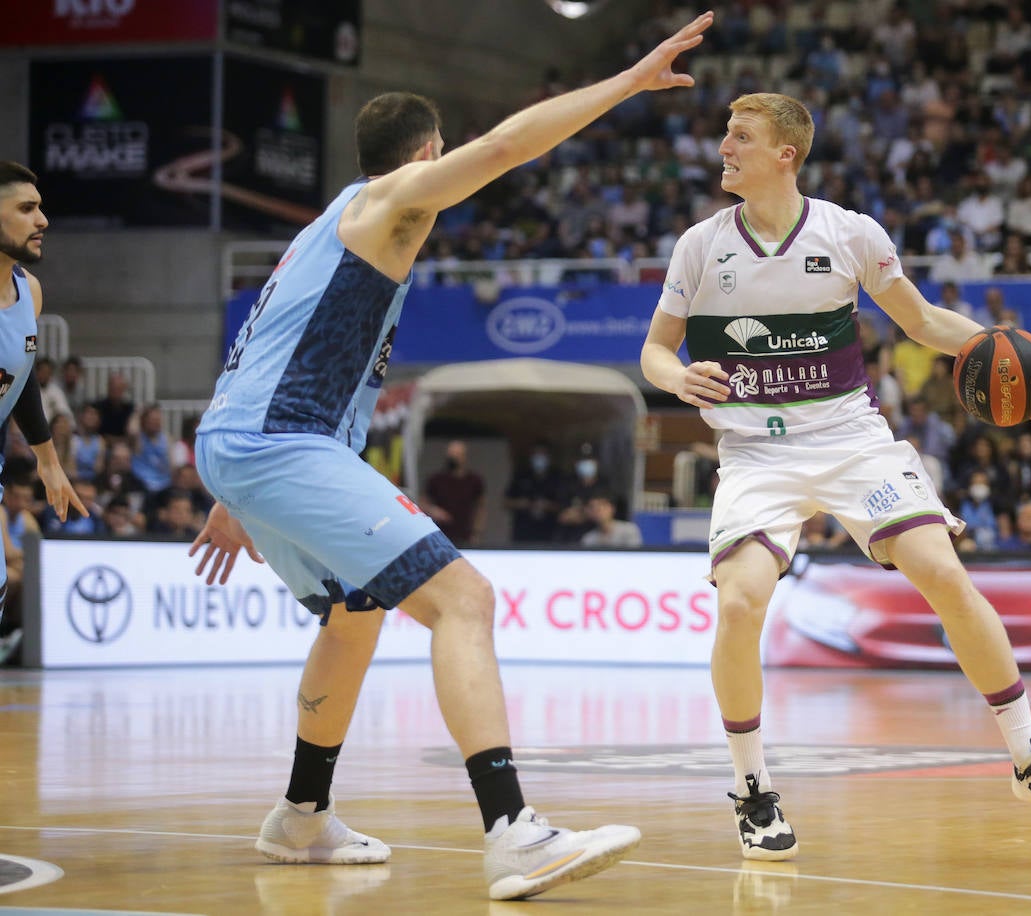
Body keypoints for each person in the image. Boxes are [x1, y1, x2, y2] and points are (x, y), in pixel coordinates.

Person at [185, 13, 713, 901]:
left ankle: (301, 817)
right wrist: (626, 83)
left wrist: (233, 484)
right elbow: (509, 145)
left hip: (250, 441)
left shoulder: (328, 224)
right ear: (427, 153)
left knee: (355, 614)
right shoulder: (393, 201)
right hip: (278, 442)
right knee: (464, 598)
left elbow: (268, 343)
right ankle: (514, 831)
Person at [640, 91, 1031, 862]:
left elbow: (919, 321)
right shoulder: (699, 246)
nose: (724, 147)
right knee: (742, 601)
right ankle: (753, 790)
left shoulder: (849, 233)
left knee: (943, 574)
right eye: (726, 134)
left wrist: (999, 345)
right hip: (757, 455)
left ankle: (1027, 753)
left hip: (852, 439)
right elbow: (655, 349)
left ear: (786, 154)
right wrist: (675, 378)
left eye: (740, 136)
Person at [0, 162, 87, 658]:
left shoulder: (28, 291)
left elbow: (23, 375)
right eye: (26, 208)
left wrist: (49, 463)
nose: (43, 220)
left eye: (41, 207)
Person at [420, 440, 486, 546]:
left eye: (456, 454)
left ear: (464, 456)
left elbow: (480, 508)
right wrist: (433, 510)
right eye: (450, 454)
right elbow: (422, 504)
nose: (452, 458)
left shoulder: (474, 480)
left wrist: (476, 532)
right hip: (440, 534)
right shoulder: (436, 479)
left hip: (465, 534)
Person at [504, 440, 562, 543]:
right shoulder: (521, 475)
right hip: (523, 532)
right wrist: (524, 503)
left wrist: (548, 506)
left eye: (542, 454)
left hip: (549, 533)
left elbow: (563, 505)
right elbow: (506, 502)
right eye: (536, 454)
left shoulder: (557, 477)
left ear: (549, 456)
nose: (539, 458)